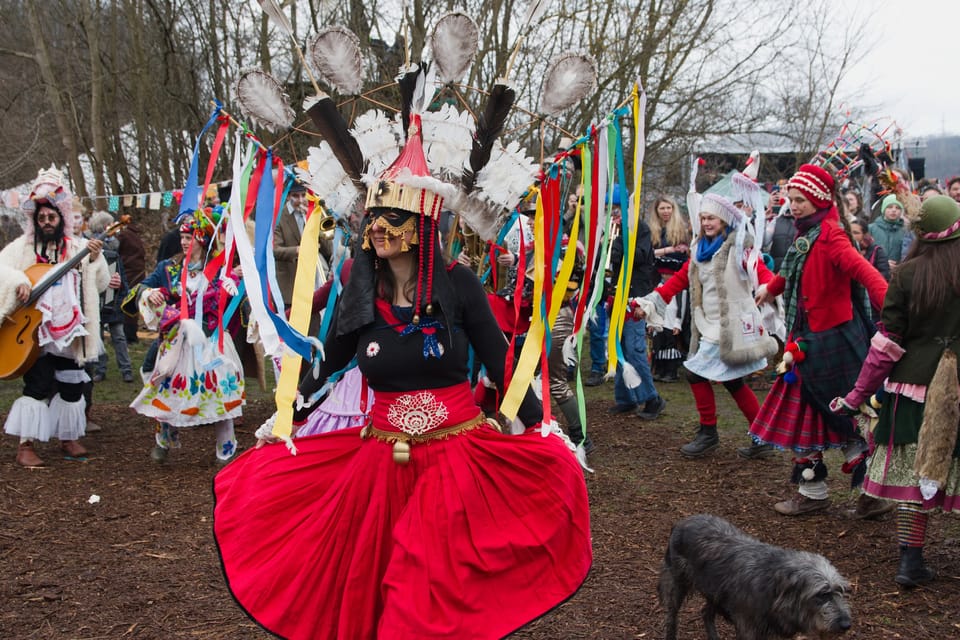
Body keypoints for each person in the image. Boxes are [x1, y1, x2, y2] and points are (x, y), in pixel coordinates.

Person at [212, 110, 591, 639]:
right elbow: (329, 361)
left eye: (392, 216)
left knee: (423, 595)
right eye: (373, 217)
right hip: (379, 466)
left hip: (454, 461)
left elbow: (500, 359)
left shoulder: (459, 286)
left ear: (422, 225)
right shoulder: (362, 292)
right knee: (375, 589)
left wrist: (541, 427)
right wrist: (286, 413)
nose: (378, 228)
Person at [832, 195, 960, 587]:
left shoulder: (905, 274)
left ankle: (910, 563)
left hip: (913, 389)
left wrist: (857, 394)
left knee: (911, 481)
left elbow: (887, 343)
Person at [752, 164, 889, 515]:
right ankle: (813, 492)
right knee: (804, 415)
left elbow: (865, 272)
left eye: (800, 200)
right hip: (804, 340)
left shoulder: (832, 236)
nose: (793, 205)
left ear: (819, 199)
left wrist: (894, 307)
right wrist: (770, 288)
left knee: (850, 417)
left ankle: (872, 493)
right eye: (791, 199)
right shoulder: (806, 234)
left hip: (833, 342)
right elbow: (788, 272)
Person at [641, 193, 778, 458]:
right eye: (703, 217)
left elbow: (759, 269)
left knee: (695, 373)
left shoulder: (739, 246)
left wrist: (769, 286)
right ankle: (763, 437)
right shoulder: (699, 249)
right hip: (709, 323)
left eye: (711, 217)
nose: (706, 222)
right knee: (733, 382)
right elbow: (682, 277)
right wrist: (656, 299)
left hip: (732, 325)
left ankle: (709, 432)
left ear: (724, 219)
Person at [0, 167, 109, 467]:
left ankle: (68, 436)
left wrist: (96, 258)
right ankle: (26, 445)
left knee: (73, 386)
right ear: (35, 220)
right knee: (38, 385)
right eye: (42, 218)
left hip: (70, 330)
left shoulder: (77, 247)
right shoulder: (22, 247)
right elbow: (1, 269)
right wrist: (18, 283)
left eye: (52, 217)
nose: (47, 222)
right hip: (35, 331)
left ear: (62, 218)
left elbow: (99, 284)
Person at [122, 214, 245, 464]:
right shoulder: (168, 268)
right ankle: (164, 442)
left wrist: (238, 279)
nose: (184, 242)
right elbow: (140, 288)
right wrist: (150, 293)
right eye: (182, 237)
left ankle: (226, 448)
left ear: (203, 240)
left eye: (190, 237)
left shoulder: (220, 270)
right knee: (169, 391)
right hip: (177, 343)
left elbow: (233, 301)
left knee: (219, 392)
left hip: (211, 342)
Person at [608, 189, 667, 419]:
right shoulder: (614, 230)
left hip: (635, 296)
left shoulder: (639, 229)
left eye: (619, 209)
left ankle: (652, 398)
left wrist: (620, 241)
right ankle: (627, 398)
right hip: (617, 294)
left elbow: (641, 256)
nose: (616, 213)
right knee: (619, 346)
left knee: (634, 348)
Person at [647, 195, 690, 383]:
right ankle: (660, 366)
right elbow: (648, 253)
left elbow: (687, 255)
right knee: (659, 323)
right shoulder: (653, 232)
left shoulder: (682, 231)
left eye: (668, 208)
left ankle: (672, 368)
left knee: (673, 324)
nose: (665, 211)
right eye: (662, 208)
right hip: (659, 282)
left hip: (678, 283)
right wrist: (668, 250)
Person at [88, 211, 135, 383]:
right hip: (95, 299)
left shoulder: (114, 250)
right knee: (97, 336)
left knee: (119, 335)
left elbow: (121, 275)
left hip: (112, 300)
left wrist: (122, 287)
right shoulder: (87, 248)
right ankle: (100, 369)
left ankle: (126, 369)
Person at [117, 215, 146, 344]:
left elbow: (116, 251)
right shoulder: (135, 235)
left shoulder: (123, 235)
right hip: (138, 272)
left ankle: (128, 335)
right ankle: (131, 335)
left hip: (129, 272)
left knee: (126, 303)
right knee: (132, 303)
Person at [869, 193, 907, 271]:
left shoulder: (905, 231)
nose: (893, 210)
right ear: (884, 209)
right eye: (889, 207)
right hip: (876, 271)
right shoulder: (871, 228)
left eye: (898, 208)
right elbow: (867, 253)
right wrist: (882, 263)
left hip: (898, 273)